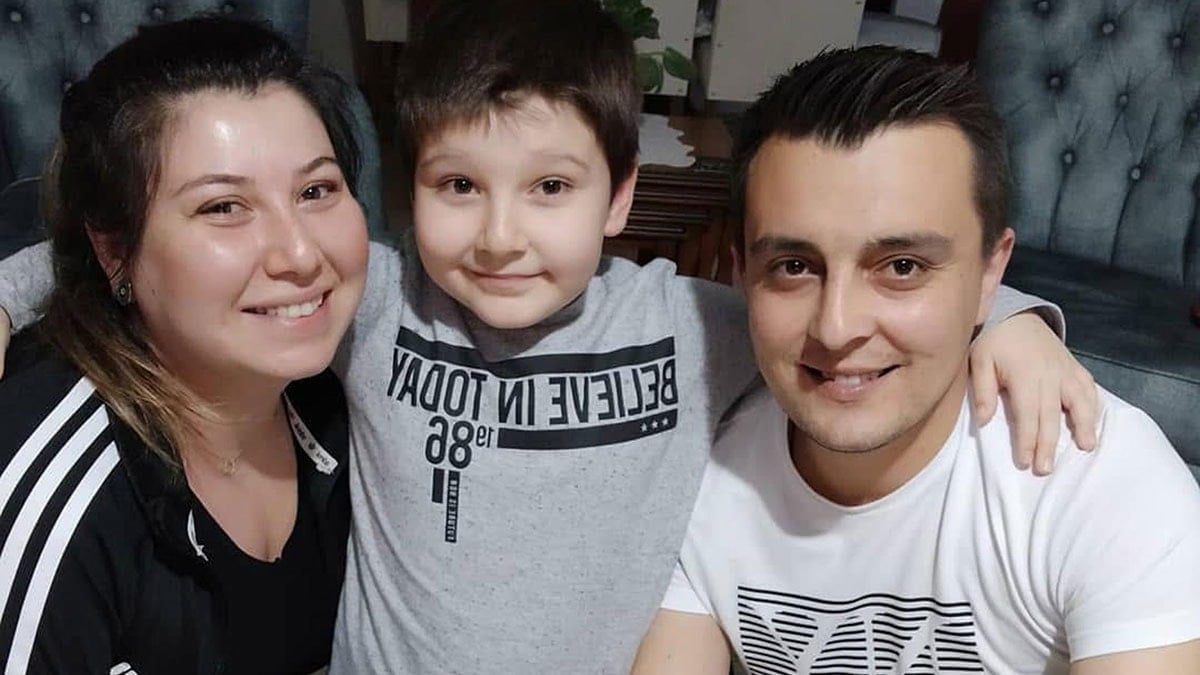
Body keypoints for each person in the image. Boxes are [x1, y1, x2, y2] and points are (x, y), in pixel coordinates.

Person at [0, 3, 1096, 672]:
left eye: (552, 188)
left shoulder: (687, 324)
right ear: (407, 192)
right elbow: (142, 252)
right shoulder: (373, 302)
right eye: (457, 186)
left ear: (620, 196)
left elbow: (833, 310)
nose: (499, 236)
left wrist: (1012, 323)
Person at [631, 47, 1200, 674]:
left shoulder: (1102, 483)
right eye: (794, 266)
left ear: (992, 273)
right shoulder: (694, 473)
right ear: (741, 273)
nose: (837, 328)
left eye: (902, 267)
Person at [0, 17, 366, 674]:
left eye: (316, 191)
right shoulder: (54, 492)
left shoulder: (343, 394)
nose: (301, 254)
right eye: (224, 207)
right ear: (115, 250)